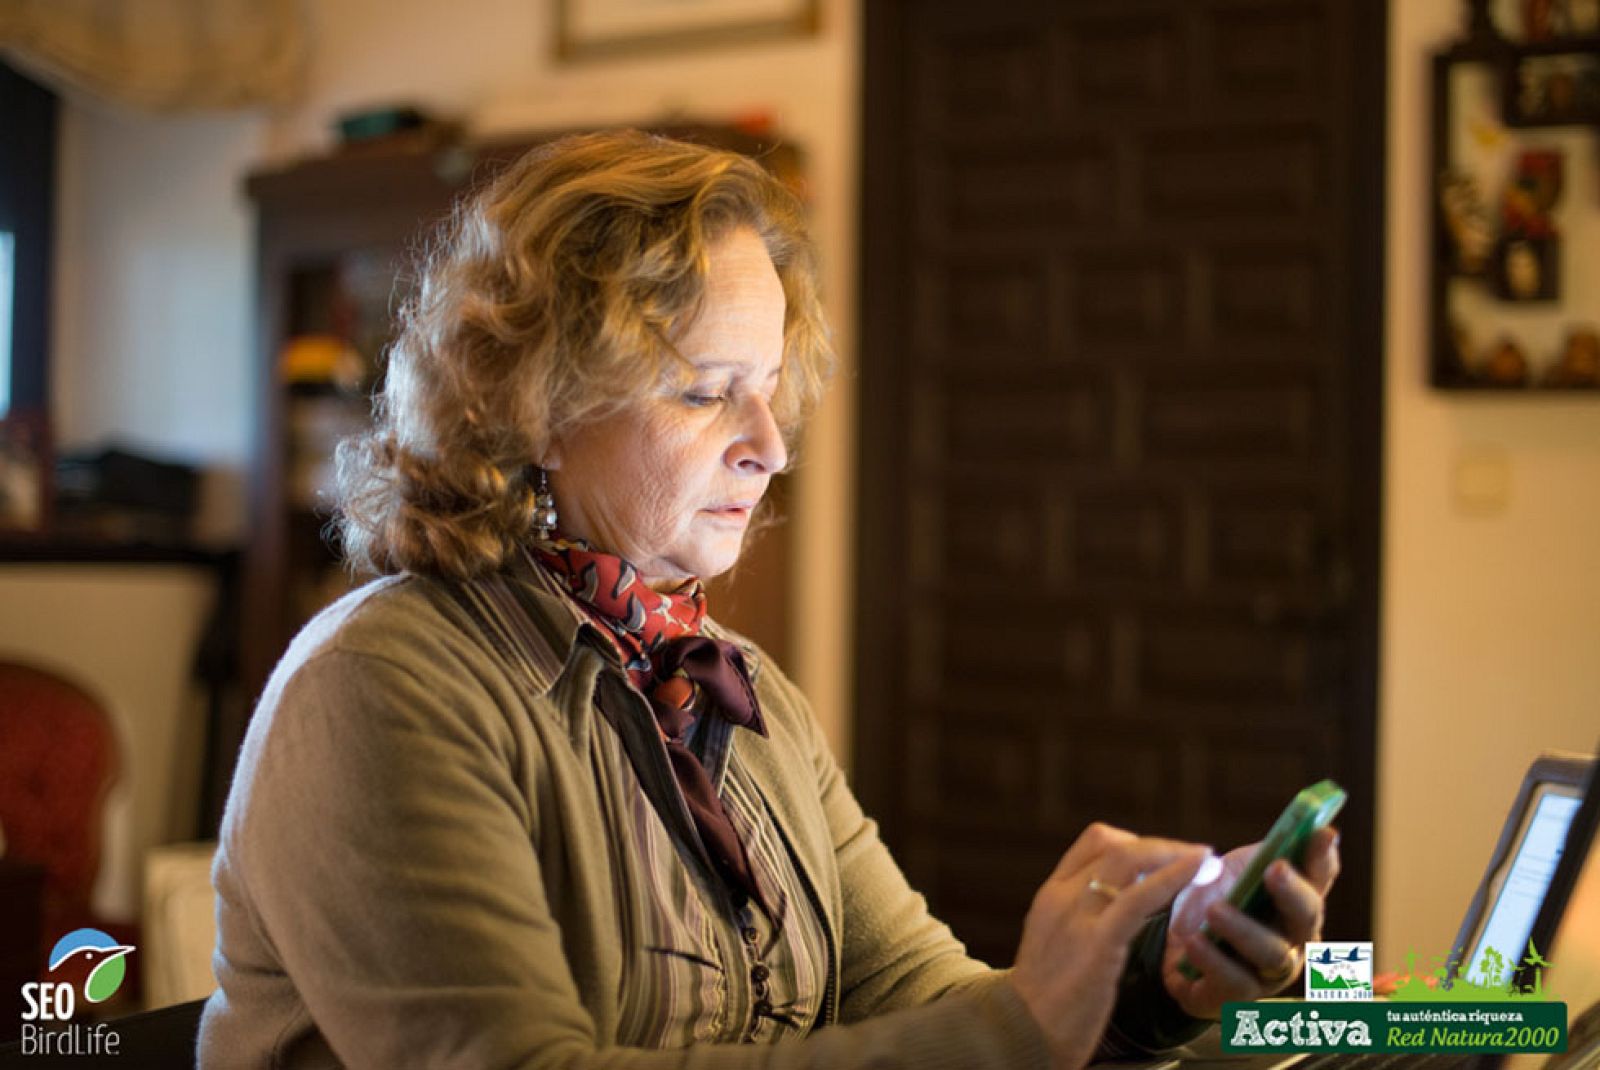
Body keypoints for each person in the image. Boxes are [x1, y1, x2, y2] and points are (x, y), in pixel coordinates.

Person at [199, 130, 1339, 1069]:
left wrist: (1151, 984)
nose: (770, 446)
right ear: (534, 402)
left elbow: (919, 991)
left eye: (770, 388)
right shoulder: (381, 686)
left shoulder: (735, 687)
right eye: (707, 392)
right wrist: (1019, 1020)